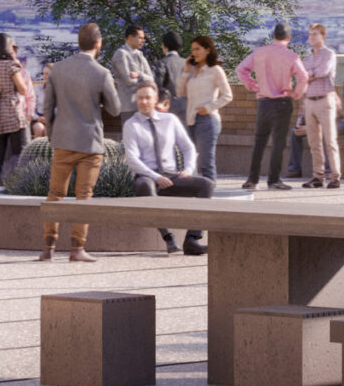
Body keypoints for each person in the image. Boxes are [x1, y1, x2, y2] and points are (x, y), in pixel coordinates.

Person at [39, 24, 117, 262]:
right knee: (84, 196)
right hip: (90, 142)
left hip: (62, 140)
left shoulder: (58, 70)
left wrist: (52, 135)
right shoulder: (101, 73)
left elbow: (47, 107)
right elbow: (114, 109)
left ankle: (48, 247)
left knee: (55, 194)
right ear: (98, 43)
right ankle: (77, 248)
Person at [121, 86, 210, 254]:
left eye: (148, 97)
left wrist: (189, 169)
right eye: (140, 98)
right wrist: (155, 177)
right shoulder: (131, 125)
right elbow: (132, 158)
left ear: (156, 100)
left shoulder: (170, 120)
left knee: (206, 185)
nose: (144, 101)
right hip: (147, 176)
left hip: (171, 175)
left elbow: (188, 148)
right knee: (144, 185)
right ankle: (168, 237)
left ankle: (192, 240)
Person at [241, 23, 307, 192]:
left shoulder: (259, 52)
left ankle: (252, 179)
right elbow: (303, 77)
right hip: (282, 102)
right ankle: (274, 180)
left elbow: (241, 69)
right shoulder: (291, 56)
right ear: (288, 38)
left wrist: (253, 86)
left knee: (259, 141)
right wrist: (296, 94)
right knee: (278, 142)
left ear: (273, 36)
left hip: (264, 102)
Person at [178, 35, 231, 186]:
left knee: (206, 162)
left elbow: (228, 96)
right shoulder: (193, 71)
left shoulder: (215, 70)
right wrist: (186, 72)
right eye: (192, 49)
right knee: (190, 160)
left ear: (207, 50)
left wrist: (207, 108)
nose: (194, 52)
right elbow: (180, 93)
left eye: (197, 49)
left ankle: (209, 198)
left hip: (207, 120)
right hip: (191, 120)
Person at [0, 34, 32, 186]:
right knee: (21, 150)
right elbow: (23, 89)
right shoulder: (11, 66)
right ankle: (20, 182)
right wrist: (17, 64)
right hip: (13, 108)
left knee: (0, 151)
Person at [296, 23, 343, 189]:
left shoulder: (329, 54)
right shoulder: (307, 58)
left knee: (330, 140)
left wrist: (308, 75)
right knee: (313, 141)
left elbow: (322, 71)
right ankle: (318, 176)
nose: (312, 37)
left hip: (325, 99)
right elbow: (301, 76)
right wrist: (308, 75)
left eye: (315, 34)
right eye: (310, 34)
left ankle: (335, 176)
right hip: (309, 100)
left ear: (323, 36)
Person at [107, 27, 151, 125]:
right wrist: (143, 79)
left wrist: (139, 75)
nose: (143, 41)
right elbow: (128, 80)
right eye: (140, 38)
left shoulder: (140, 54)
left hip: (143, 103)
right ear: (130, 37)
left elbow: (151, 79)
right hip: (129, 105)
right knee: (129, 135)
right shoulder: (121, 54)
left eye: (143, 38)